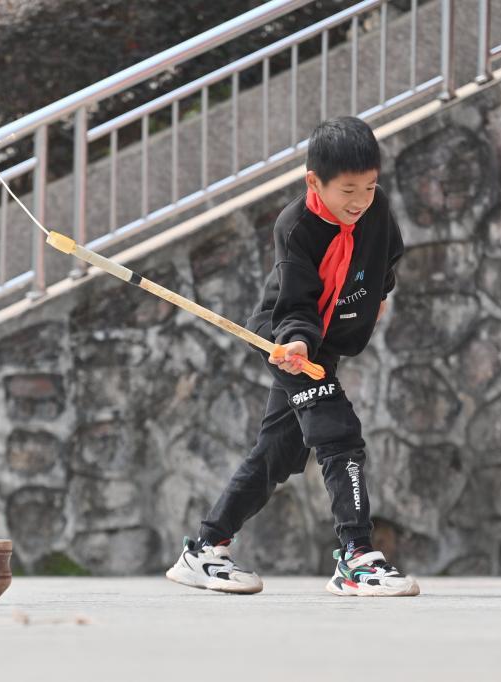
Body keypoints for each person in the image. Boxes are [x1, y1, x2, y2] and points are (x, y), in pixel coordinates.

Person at [165, 116, 416, 597]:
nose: (360, 200)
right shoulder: (295, 226)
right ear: (313, 182)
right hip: (286, 339)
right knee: (337, 433)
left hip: (326, 344)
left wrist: (379, 293)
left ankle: (205, 548)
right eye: (348, 190)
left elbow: (388, 254)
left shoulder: (376, 209)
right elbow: (296, 301)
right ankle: (356, 557)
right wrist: (296, 344)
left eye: (369, 186)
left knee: (278, 452)